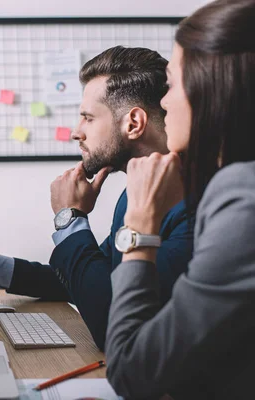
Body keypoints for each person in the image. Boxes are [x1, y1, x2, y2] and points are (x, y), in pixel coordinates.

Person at [0, 46, 194, 351]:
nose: (76, 133)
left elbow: (114, 326)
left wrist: (70, 218)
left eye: (88, 118)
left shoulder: (195, 205)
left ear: (133, 123)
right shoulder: (135, 191)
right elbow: (93, 277)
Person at [104, 1, 255, 398]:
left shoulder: (243, 195)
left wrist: (139, 226)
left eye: (172, 83)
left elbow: (132, 369)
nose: (165, 102)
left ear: (212, 86)